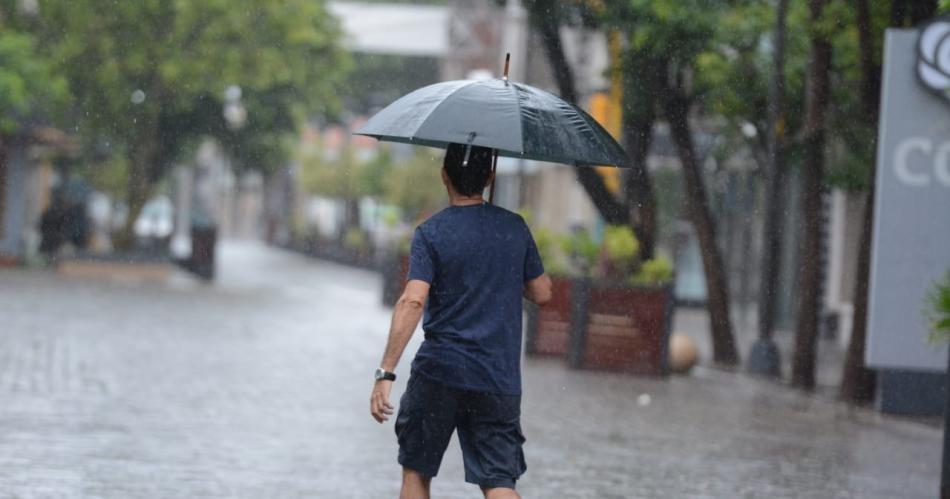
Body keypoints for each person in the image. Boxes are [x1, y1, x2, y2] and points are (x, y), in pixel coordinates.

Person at [370, 143, 552, 499]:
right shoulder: (514, 228)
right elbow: (543, 292)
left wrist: (386, 371)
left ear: (444, 177)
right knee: (499, 480)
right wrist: (505, 267)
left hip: (440, 372)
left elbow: (413, 300)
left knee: (417, 472)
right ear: (490, 176)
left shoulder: (431, 233)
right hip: (496, 377)